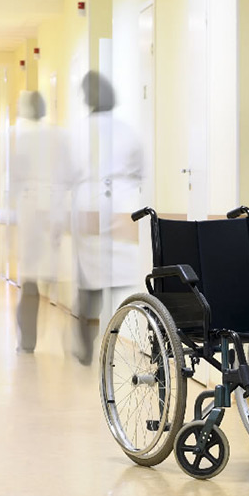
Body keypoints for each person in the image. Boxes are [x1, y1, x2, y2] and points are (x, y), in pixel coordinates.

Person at [71, 71, 144, 365]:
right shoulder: (128, 131)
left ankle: (88, 344)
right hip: (123, 204)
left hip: (89, 204)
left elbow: (67, 171)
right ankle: (115, 341)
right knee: (119, 277)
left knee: (89, 283)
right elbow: (141, 171)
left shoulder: (78, 131)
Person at [10, 91, 71, 353]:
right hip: (54, 213)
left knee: (32, 280)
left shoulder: (22, 139)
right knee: (47, 276)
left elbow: (16, 179)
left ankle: (28, 339)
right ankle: (59, 338)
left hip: (33, 214)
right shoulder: (60, 137)